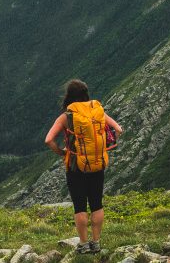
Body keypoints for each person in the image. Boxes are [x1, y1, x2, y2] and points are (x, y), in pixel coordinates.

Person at [45, 79, 123, 254]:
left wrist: (62, 152)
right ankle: (96, 243)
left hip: (75, 167)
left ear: (69, 97)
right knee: (97, 204)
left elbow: (48, 140)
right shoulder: (97, 111)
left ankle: (83, 244)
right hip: (97, 164)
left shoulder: (67, 116)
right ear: (86, 93)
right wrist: (104, 145)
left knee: (80, 206)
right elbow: (118, 129)